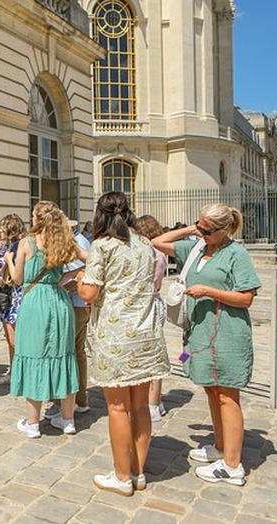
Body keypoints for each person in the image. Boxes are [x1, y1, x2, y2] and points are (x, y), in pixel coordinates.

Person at [153, 203, 261, 486]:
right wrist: (193, 229)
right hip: (201, 332)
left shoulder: (236, 253)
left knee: (227, 394)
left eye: (207, 229)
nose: (201, 232)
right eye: (199, 225)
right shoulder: (197, 248)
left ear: (225, 230)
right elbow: (157, 241)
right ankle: (221, 446)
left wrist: (209, 291)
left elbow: (246, 297)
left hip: (227, 332)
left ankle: (232, 464)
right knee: (212, 390)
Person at [79, 192, 170, 496]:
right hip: (146, 334)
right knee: (141, 405)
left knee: (118, 408)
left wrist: (81, 280)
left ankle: (121, 476)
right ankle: (138, 472)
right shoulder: (145, 243)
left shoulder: (102, 246)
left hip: (116, 335)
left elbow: (89, 294)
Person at [5, 201, 79, 438]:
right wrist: (64, 278)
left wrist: (8, 260)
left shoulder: (27, 243)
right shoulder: (63, 241)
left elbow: (17, 279)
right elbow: (86, 261)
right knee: (64, 356)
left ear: (37, 219)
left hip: (35, 300)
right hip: (59, 300)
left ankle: (33, 423)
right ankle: (68, 420)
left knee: (33, 355)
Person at [43, 219, 91, 417]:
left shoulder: (77, 244)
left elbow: (81, 273)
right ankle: (80, 399)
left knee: (66, 353)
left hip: (74, 303)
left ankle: (62, 402)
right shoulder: (83, 242)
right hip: (80, 305)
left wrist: (61, 285)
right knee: (78, 353)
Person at [134, 214, 169, 423]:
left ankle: (152, 403)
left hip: (146, 303)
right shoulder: (161, 252)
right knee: (152, 353)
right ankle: (154, 401)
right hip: (156, 301)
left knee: (150, 356)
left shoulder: (148, 253)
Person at [0, 213, 26, 386]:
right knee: (8, 337)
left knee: (15, 338)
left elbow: (17, 271)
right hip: (4, 294)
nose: (0, 233)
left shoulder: (19, 246)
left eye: (3, 230)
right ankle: (14, 371)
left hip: (15, 294)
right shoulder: (4, 246)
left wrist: (6, 274)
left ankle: (20, 373)